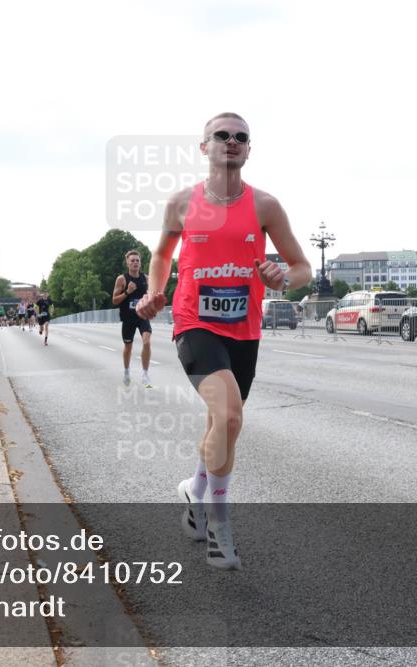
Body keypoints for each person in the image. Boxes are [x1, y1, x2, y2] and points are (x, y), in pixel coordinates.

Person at [136, 112, 312, 571]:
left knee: (224, 422)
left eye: (241, 137)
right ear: (205, 147)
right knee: (230, 414)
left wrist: (282, 277)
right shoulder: (182, 202)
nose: (231, 141)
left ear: (249, 150)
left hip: (244, 329)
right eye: (222, 135)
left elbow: (302, 268)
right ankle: (219, 522)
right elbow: (161, 255)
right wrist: (155, 292)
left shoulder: (266, 206)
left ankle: (195, 491)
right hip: (194, 323)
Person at [113, 249, 153, 387]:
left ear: (140, 263)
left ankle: (145, 375)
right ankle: (126, 372)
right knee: (128, 347)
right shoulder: (122, 279)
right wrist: (127, 292)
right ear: (127, 263)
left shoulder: (146, 279)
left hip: (142, 316)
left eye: (137, 260)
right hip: (128, 318)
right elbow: (114, 300)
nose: (135, 262)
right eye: (132, 260)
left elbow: (153, 295)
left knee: (147, 342)